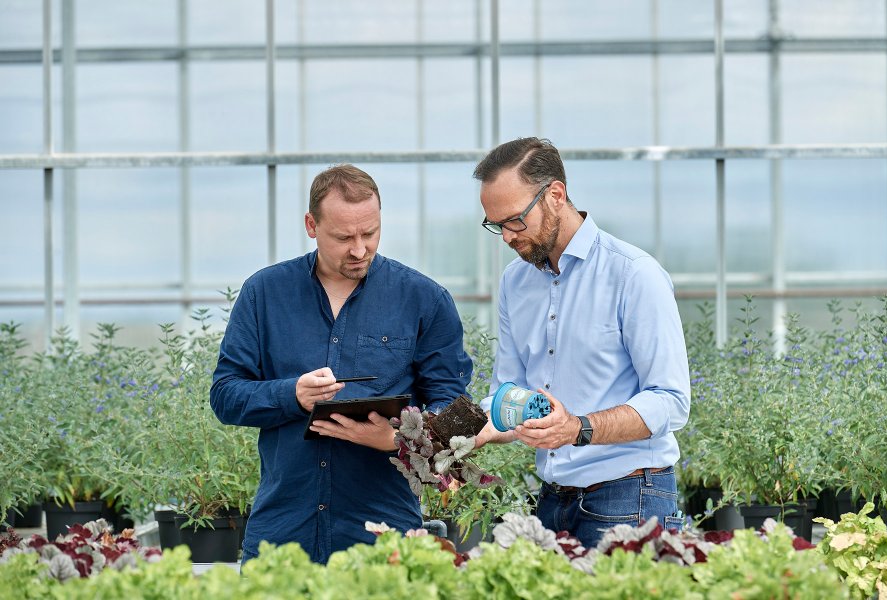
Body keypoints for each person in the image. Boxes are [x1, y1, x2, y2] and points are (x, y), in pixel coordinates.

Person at [210, 164, 473, 564]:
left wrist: (398, 439)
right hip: (282, 532)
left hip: (383, 536)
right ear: (311, 225)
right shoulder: (264, 293)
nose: (359, 249)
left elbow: (455, 411)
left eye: (370, 233)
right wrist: (291, 395)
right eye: (343, 237)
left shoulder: (423, 299)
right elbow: (226, 395)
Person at [473, 137, 690, 548]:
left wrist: (576, 429)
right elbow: (508, 394)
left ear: (556, 195)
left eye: (515, 220)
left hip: (630, 496)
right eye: (496, 224)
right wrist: (469, 434)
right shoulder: (514, 283)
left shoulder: (634, 274)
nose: (505, 236)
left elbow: (670, 400)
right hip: (553, 501)